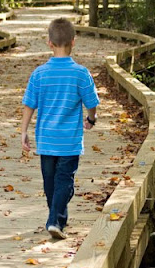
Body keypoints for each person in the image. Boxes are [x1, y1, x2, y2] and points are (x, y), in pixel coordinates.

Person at [21, 18, 99, 240]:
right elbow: (91, 103)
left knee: (51, 183)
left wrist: (23, 131)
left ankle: (55, 219)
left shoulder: (39, 74)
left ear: (49, 43)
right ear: (73, 42)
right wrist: (91, 119)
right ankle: (56, 220)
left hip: (46, 140)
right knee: (63, 181)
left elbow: (29, 105)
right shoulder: (81, 73)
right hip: (69, 141)